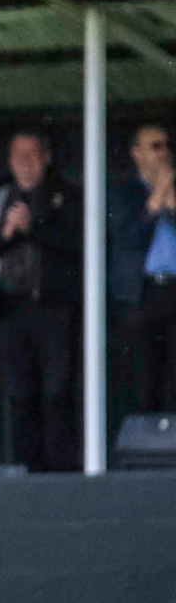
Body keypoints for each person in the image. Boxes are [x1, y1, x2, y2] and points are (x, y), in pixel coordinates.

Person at [0, 129, 83, 470]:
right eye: (18, 155)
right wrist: (6, 235)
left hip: (54, 308)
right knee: (20, 392)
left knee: (57, 390)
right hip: (11, 309)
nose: (25, 162)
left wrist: (33, 226)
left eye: (33, 153)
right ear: (9, 161)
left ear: (47, 157)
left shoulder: (66, 195)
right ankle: (28, 470)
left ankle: (62, 470)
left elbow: (77, 244)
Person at [110, 123, 176, 412]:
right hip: (141, 294)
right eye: (155, 146)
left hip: (173, 287)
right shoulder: (123, 192)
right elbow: (130, 238)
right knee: (143, 377)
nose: (164, 153)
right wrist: (156, 199)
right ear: (137, 152)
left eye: (167, 146)